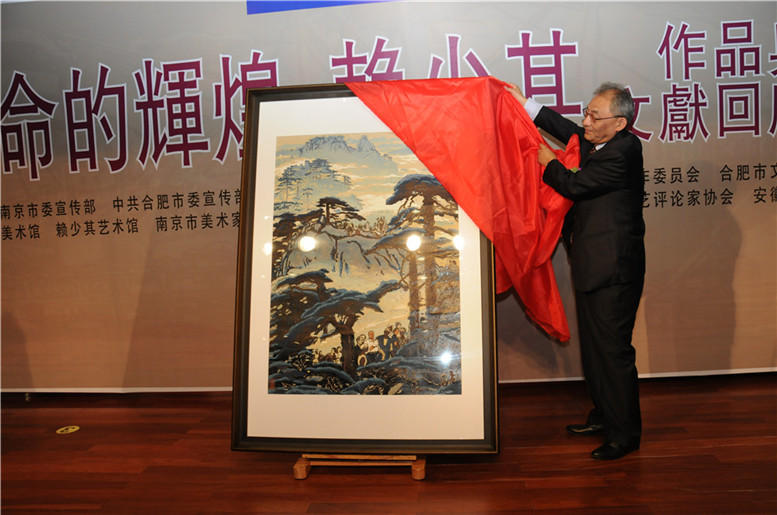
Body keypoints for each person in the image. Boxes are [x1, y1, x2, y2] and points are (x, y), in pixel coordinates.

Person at [507, 82, 646, 460]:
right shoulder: (599, 140)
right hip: (591, 266)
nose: (585, 122)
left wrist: (546, 161)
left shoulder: (624, 152)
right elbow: (568, 130)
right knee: (596, 350)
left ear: (619, 123)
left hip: (614, 271)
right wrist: (524, 104)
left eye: (594, 117)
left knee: (613, 352)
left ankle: (624, 436)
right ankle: (603, 416)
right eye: (587, 112)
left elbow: (573, 184)